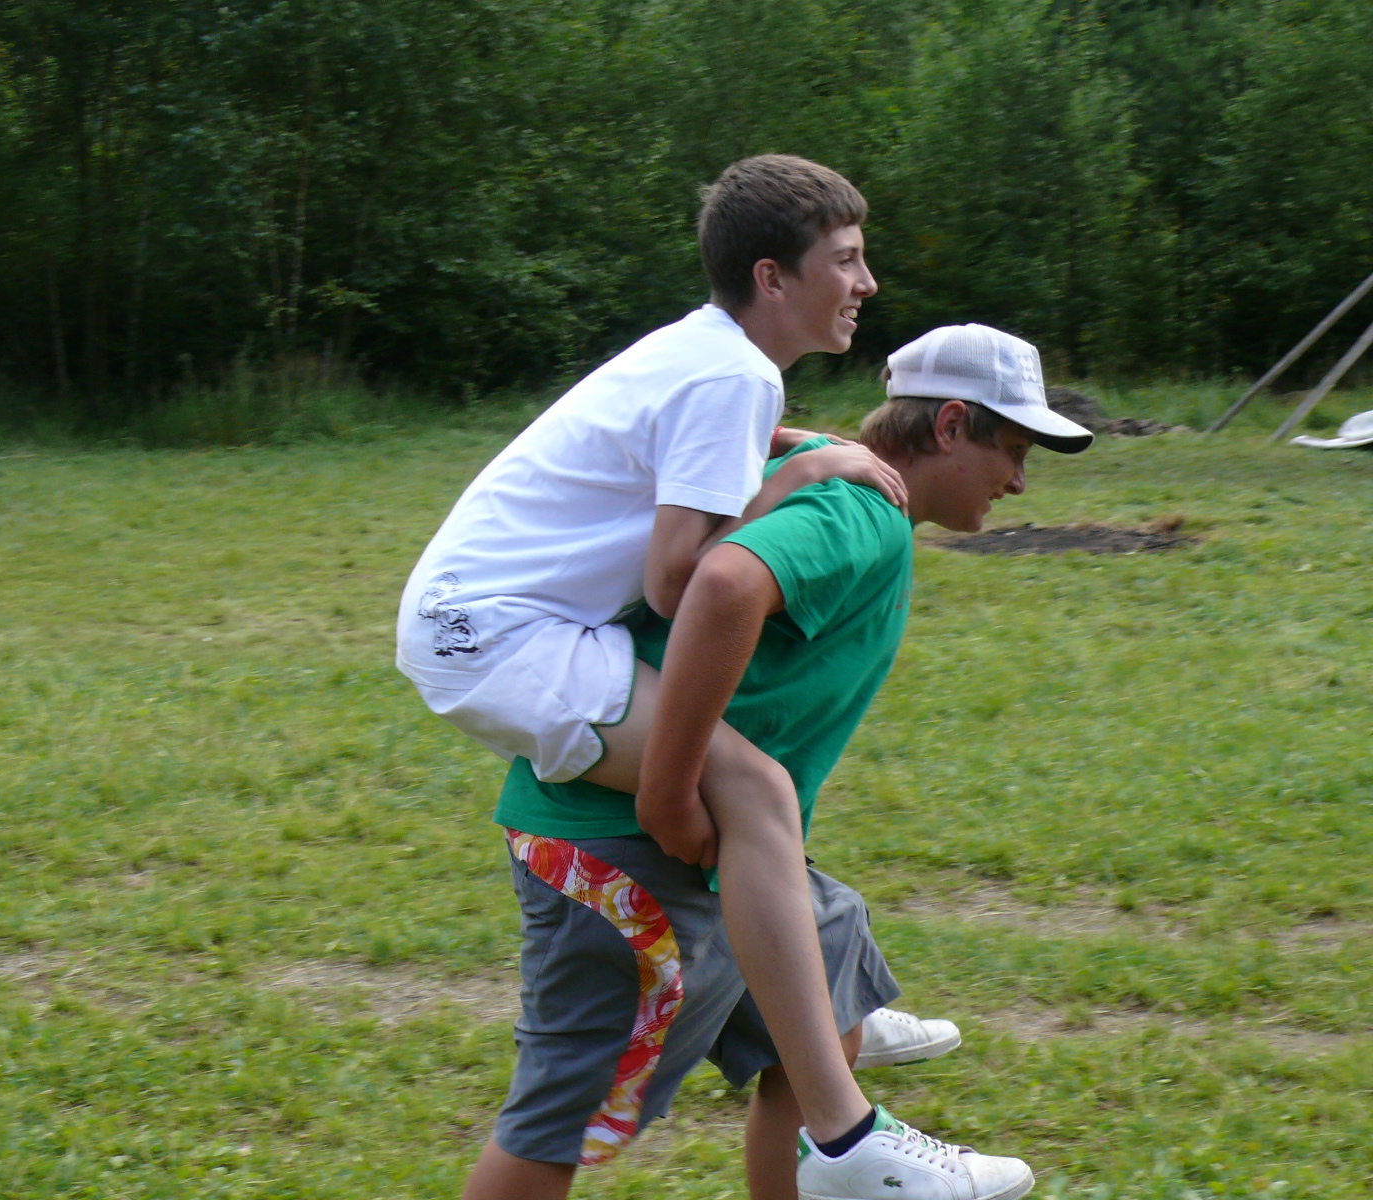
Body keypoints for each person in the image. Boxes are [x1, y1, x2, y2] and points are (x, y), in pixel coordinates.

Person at [462, 324, 1094, 1200]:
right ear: (951, 426)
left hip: (718, 847)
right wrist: (670, 789)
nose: (1019, 481)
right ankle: (848, 1138)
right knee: (559, 1130)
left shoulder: (835, 486)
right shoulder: (860, 514)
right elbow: (723, 583)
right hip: (625, 856)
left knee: (833, 980)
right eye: (1014, 451)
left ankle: (843, 1153)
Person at [397, 155, 919, 1156]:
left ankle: (809, 1007)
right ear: (773, 277)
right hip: (493, 637)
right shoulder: (730, 373)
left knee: (747, 795)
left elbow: (700, 449)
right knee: (753, 790)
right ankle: (841, 1118)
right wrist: (807, 467)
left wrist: (793, 442)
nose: (866, 282)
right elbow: (681, 580)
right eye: (847, 259)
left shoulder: (712, 356)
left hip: (484, 625)